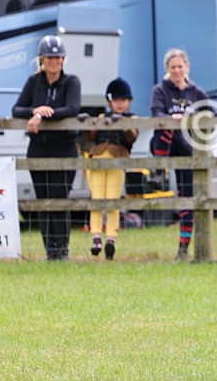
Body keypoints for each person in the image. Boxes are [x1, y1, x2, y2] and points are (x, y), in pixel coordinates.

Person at [12, 36, 81, 260]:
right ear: (41, 59)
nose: (53, 62)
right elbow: (16, 109)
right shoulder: (34, 82)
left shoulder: (71, 81)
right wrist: (35, 110)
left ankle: (62, 250)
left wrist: (42, 114)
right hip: (38, 149)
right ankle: (49, 249)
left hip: (64, 148)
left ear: (63, 59)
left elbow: (72, 108)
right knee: (43, 201)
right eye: (49, 57)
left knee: (59, 199)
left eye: (57, 57)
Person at [150, 48, 208, 261]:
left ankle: (183, 247)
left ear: (187, 67)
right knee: (166, 127)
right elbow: (156, 112)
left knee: (187, 198)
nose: (176, 70)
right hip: (164, 144)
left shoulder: (195, 91)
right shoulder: (159, 90)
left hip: (187, 148)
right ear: (167, 68)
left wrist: (191, 117)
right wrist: (170, 118)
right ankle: (158, 172)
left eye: (179, 66)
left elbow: (211, 112)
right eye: (172, 67)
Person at [84, 79, 139, 260]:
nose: (120, 103)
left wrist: (121, 124)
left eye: (123, 100)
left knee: (113, 201)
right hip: (98, 160)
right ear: (109, 101)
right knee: (97, 200)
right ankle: (96, 237)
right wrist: (88, 123)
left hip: (117, 161)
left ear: (129, 101)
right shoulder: (102, 117)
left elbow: (132, 138)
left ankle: (111, 240)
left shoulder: (132, 119)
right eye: (116, 100)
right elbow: (90, 136)